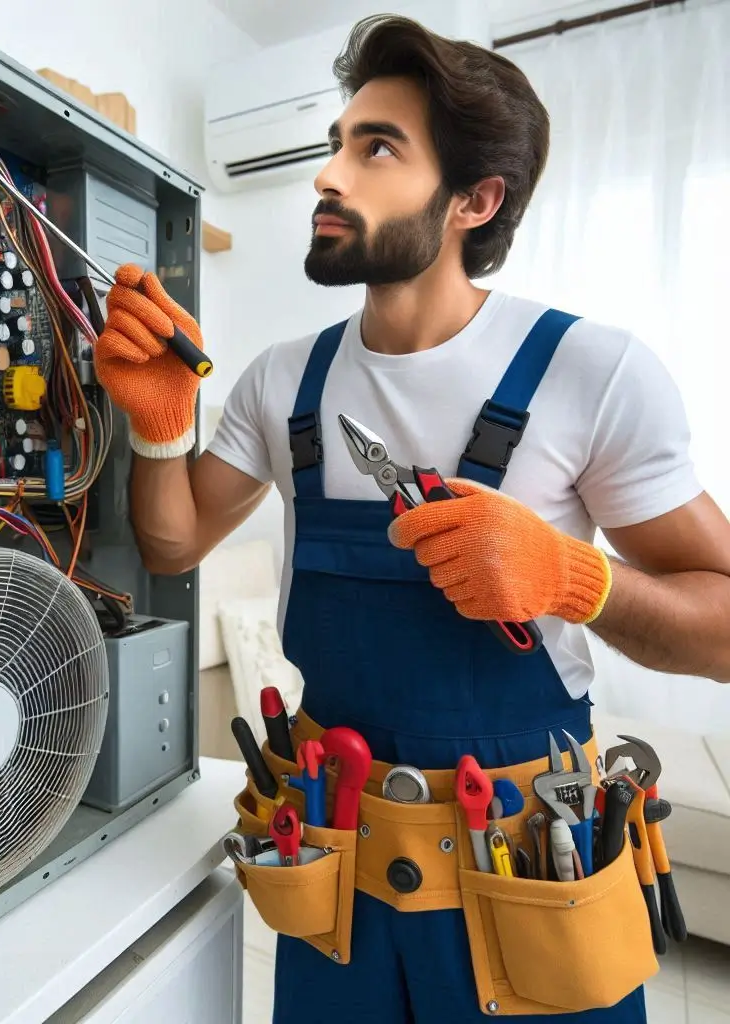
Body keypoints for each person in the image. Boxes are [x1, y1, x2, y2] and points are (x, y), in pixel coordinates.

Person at [93, 13, 730, 1024]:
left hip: (527, 874)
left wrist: (576, 577)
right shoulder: (281, 380)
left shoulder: (591, 372)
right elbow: (173, 541)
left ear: (475, 200)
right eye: (335, 143)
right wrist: (162, 427)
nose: (327, 176)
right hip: (335, 861)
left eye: (376, 148)